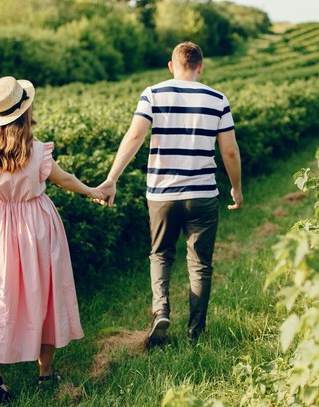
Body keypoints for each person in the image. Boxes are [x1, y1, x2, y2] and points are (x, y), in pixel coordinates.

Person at [0, 76, 104, 403]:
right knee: (46, 294)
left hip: (1, 229)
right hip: (38, 226)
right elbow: (64, 179)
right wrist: (91, 191)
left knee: (3, 295)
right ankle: (45, 373)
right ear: (25, 113)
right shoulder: (36, 151)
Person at [97, 42, 243, 345]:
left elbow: (135, 135)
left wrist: (112, 178)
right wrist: (236, 188)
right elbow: (228, 150)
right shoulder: (217, 99)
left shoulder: (153, 93)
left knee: (161, 254)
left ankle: (161, 309)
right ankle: (196, 332)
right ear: (200, 67)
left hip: (162, 194)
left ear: (171, 66)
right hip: (202, 194)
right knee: (200, 263)